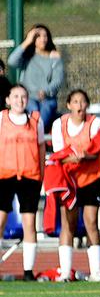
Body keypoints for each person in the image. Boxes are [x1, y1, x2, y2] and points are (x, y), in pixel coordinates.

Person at [48, 90, 100, 282]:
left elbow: (96, 151)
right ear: (68, 105)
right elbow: (59, 154)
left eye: (83, 102)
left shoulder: (95, 124)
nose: (79, 105)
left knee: (91, 221)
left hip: (90, 178)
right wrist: (76, 156)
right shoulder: (59, 124)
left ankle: (96, 271)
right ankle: (65, 272)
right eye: (75, 101)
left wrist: (83, 155)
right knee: (68, 223)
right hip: (68, 180)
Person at [0, 85, 45, 281]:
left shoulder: (36, 120)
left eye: (24, 96)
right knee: (0, 221)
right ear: (8, 100)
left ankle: (28, 271)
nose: (20, 100)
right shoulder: (1, 118)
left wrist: (41, 175)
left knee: (29, 223)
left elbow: (41, 148)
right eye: (16, 96)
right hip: (5, 175)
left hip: (30, 176)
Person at [7, 24, 65, 133]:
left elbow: (58, 80)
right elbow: (11, 61)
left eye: (45, 36)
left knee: (43, 117)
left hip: (47, 99)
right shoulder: (27, 57)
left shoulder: (54, 58)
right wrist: (27, 42)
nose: (43, 39)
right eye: (38, 36)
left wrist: (46, 91)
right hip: (29, 98)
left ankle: (36, 136)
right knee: (33, 110)